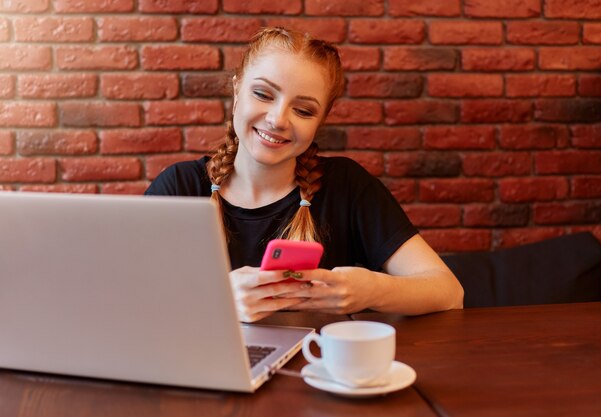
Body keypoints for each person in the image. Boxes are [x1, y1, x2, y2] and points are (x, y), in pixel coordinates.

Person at [145, 27, 464, 322]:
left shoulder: (346, 186)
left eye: (304, 110)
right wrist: (219, 297)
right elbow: (123, 295)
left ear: (321, 120)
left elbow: (449, 292)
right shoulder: (180, 187)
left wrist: (368, 290)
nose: (278, 119)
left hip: (314, 375)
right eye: (263, 94)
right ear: (237, 90)